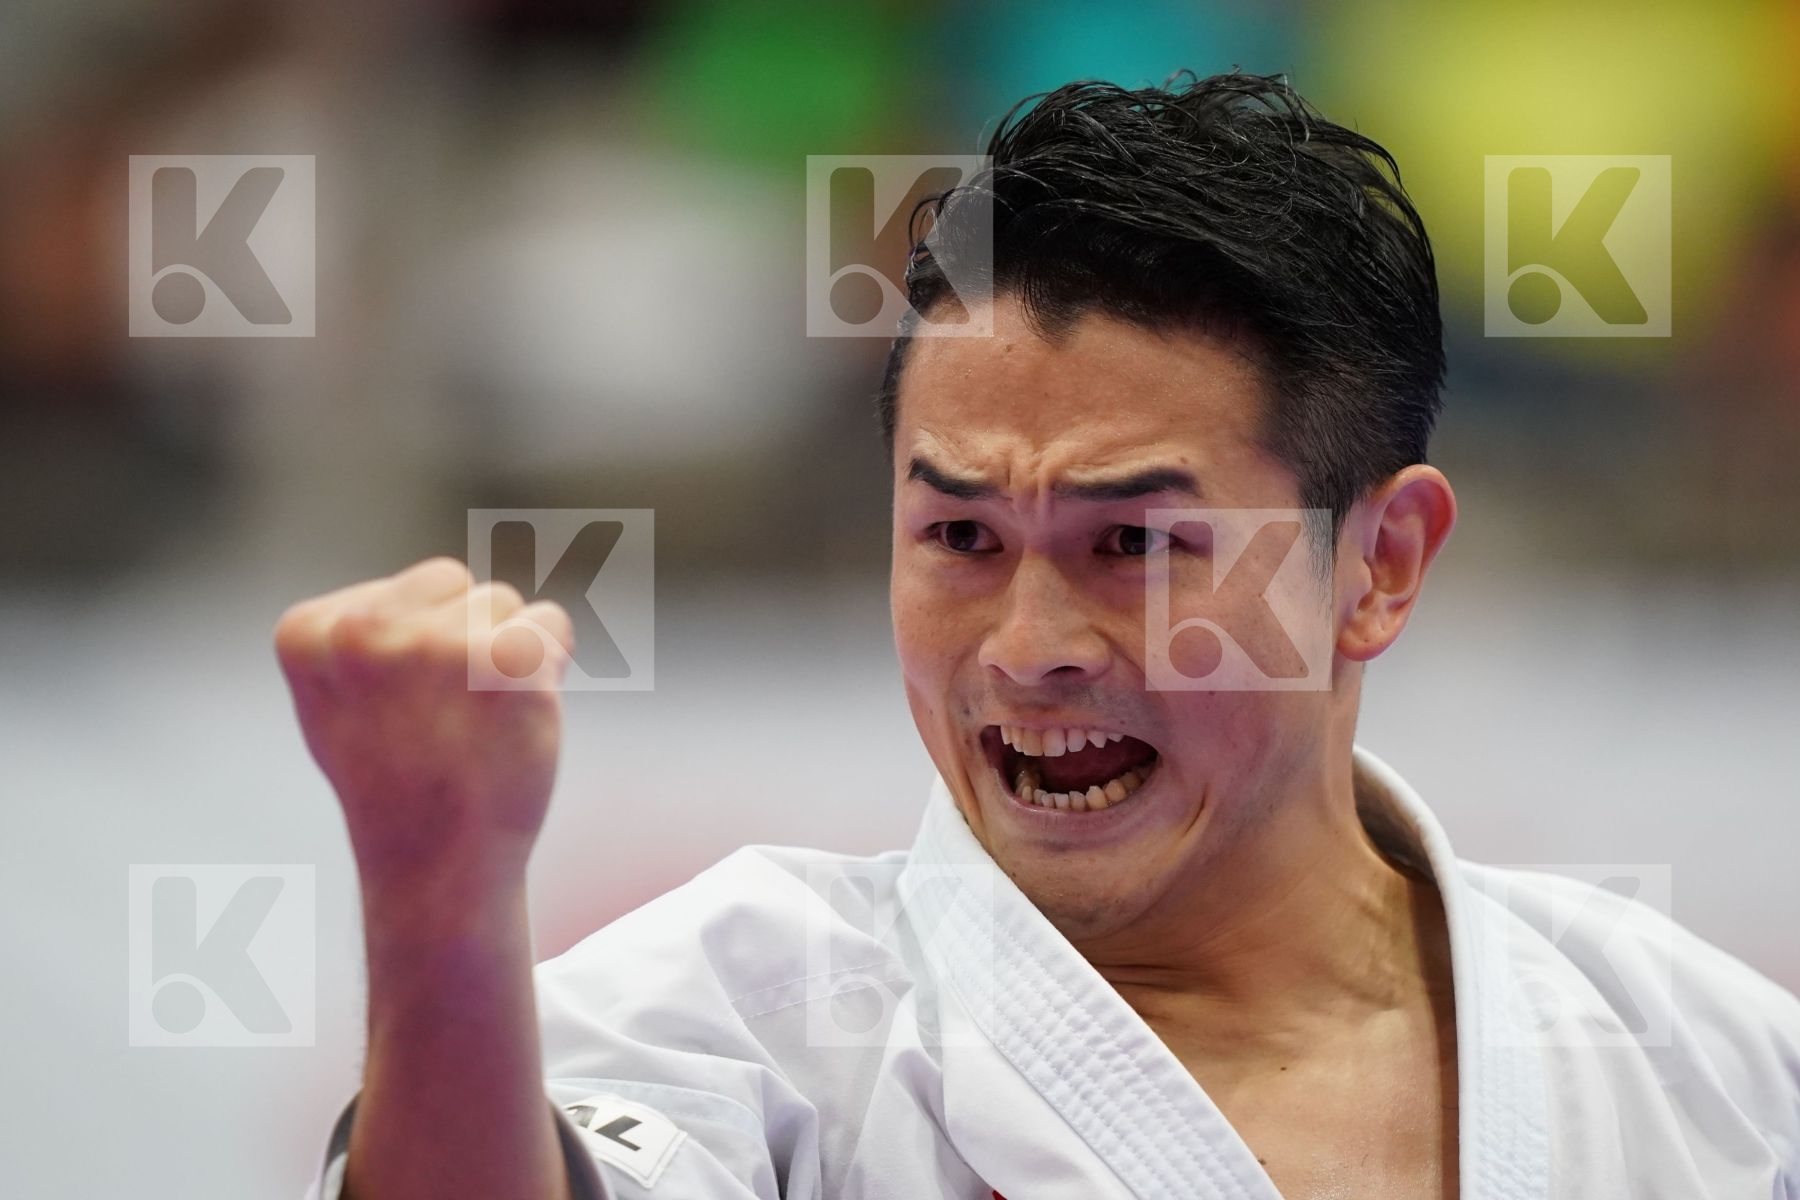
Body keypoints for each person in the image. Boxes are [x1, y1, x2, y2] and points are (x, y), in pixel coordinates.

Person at [281, 72, 1800, 1200]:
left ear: (1379, 563)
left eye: (1133, 544)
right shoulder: (744, 1014)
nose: (1025, 647)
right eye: (958, 538)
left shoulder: (1711, 1066)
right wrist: (438, 890)